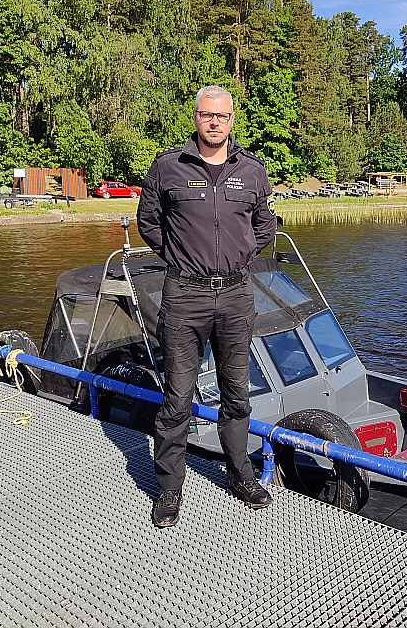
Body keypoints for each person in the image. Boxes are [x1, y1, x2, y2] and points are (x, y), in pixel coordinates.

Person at [137, 85, 278, 528]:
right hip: (185, 297)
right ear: (196, 118)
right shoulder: (169, 168)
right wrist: (185, 260)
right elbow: (149, 223)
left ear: (231, 119)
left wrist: (235, 260)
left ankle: (240, 475)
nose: (214, 122)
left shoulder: (251, 172)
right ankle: (169, 489)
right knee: (178, 397)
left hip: (236, 296)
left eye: (222, 115)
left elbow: (264, 227)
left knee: (236, 394)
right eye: (206, 114)